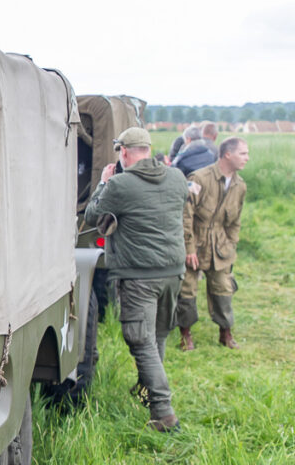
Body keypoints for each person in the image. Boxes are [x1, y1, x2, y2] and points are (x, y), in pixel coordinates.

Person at [84, 127, 189, 432]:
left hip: (137, 275)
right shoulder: (177, 177)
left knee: (141, 342)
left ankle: (163, 413)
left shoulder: (119, 184)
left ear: (124, 152)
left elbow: (92, 216)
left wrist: (103, 183)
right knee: (156, 337)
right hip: (173, 271)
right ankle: (146, 391)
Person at [176, 137, 250, 350]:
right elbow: (185, 215)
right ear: (228, 154)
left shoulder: (239, 185)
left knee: (223, 290)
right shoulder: (199, 178)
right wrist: (189, 248)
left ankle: (225, 333)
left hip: (221, 247)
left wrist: (231, 245)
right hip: (195, 243)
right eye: (243, 153)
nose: (247, 158)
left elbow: (235, 221)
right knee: (187, 290)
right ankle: (186, 335)